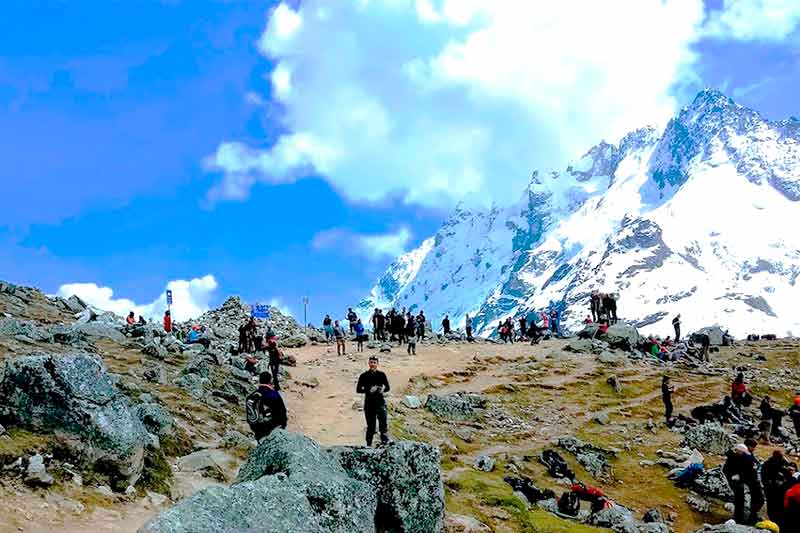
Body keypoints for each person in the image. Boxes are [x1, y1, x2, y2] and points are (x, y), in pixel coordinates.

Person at [723, 442, 763, 525]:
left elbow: (751, 469)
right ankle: (741, 518)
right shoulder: (735, 457)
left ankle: (749, 517)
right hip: (739, 482)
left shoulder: (745, 457)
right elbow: (727, 470)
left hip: (746, 481)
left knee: (756, 499)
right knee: (740, 500)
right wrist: (735, 476)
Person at [356, 356, 390, 446]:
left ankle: (385, 443)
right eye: (371, 362)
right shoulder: (363, 376)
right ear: (368, 363)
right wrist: (369, 390)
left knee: (383, 424)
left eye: (374, 363)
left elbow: (388, 387)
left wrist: (383, 390)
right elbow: (358, 389)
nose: (372, 364)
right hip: (369, 404)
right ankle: (368, 445)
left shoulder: (382, 374)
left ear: (377, 364)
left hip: (380, 402)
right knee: (371, 427)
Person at [246, 371, 288, 441]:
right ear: (270, 381)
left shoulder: (252, 395)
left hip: (256, 429)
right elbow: (282, 412)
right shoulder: (274, 395)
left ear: (259, 380)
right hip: (271, 429)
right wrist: (283, 425)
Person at [762, 449, 791, 524]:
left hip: (781, 489)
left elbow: (788, 474)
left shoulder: (784, 462)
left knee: (779, 506)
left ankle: (778, 521)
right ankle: (773, 520)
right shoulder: (768, 464)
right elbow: (764, 477)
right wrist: (769, 483)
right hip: (771, 489)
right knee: (772, 505)